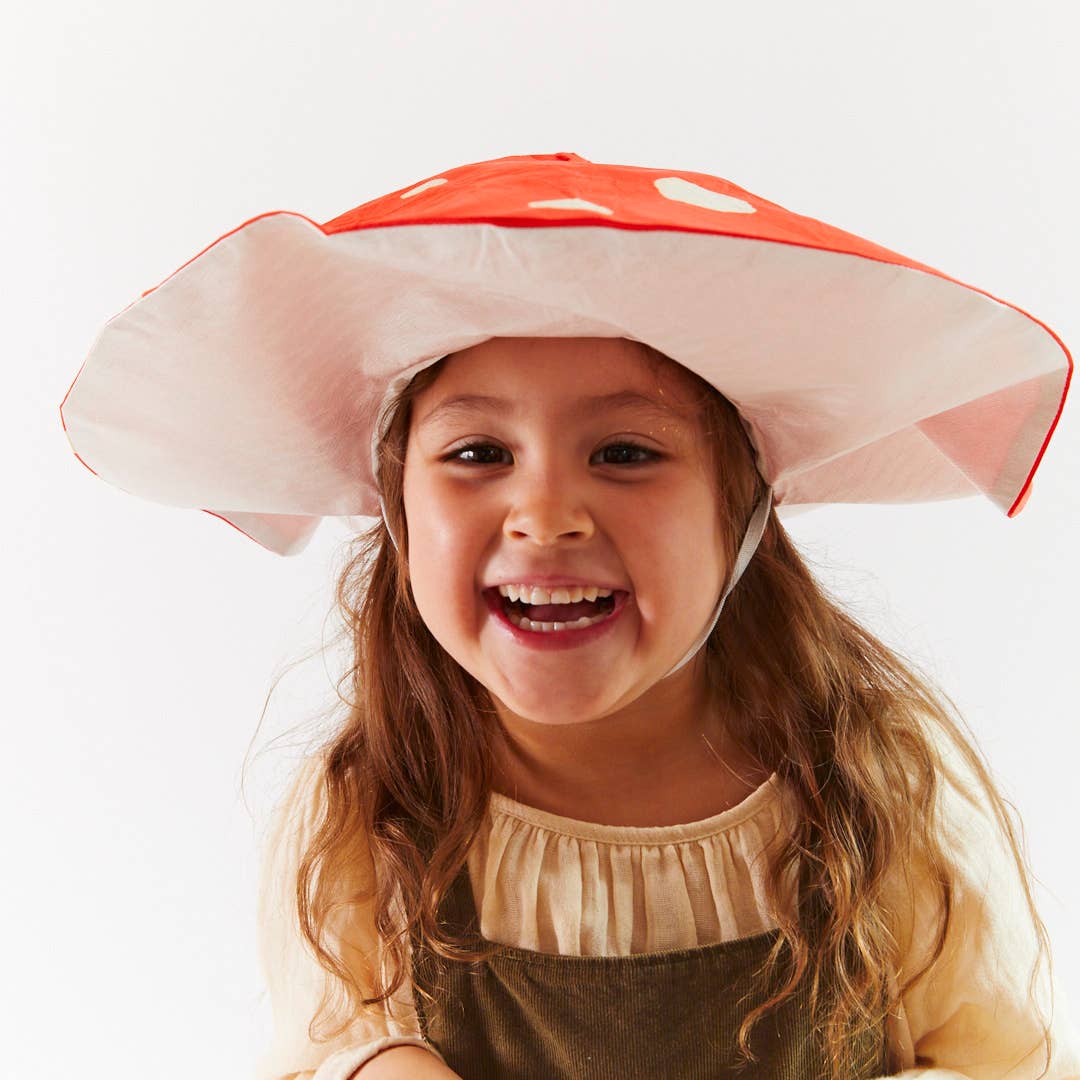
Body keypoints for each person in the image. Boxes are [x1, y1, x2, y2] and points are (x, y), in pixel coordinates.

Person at [58, 153, 1080, 1079]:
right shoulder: (374, 818)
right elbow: (330, 1043)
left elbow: (989, 1050)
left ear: (742, 518)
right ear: (399, 510)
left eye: (626, 453)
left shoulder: (862, 787)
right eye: (477, 455)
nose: (545, 515)